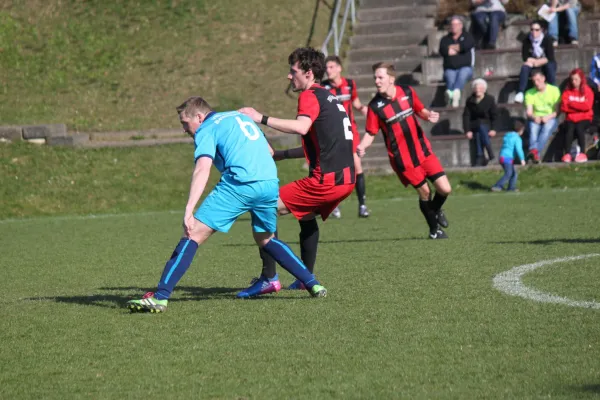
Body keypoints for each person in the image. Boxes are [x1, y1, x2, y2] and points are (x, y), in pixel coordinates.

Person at [126, 97, 327, 313]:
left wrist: (189, 208)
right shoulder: (241, 117)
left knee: (192, 234)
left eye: (185, 123)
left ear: (199, 117)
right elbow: (269, 152)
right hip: (269, 182)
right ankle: (313, 283)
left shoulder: (207, 128)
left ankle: (160, 297)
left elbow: (203, 168)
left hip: (239, 184)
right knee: (266, 239)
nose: (185, 129)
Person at [238, 47, 355, 295]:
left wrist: (261, 117)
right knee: (306, 216)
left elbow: (302, 127)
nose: (289, 77)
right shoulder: (330, 97)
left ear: (309, 73)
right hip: (346, 180)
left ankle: (269, 278)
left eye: (293, 71)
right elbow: (321, 145)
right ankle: (305, 277)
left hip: (326, 181)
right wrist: (281, 155)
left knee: (263, 207)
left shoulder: (309, 96)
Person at [357, 62, 451, 240]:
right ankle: (434, 231)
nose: (377, 81)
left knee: (445, 189)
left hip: (423, 151)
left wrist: (428, 115)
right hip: (403, 160)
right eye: (375, 78)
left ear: (391, 79)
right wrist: (362, 146)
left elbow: (420, 110)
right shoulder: (375, 107)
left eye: (380, 77)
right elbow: (371, 132)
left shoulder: (407, 92)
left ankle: (436, 210)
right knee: (425, 192)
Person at [322, 55, 370, 218]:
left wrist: (364, 109)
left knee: (357, 166)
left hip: (350, 132)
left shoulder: (350, 84)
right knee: (336, 169)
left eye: (331, 67)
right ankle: (334, 206)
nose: (328, 70)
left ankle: (362, 205)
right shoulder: (323, 87)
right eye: (326, 68)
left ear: (339, 68)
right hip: (333, 135)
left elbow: (355, 103)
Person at [514, 20, 556, 104]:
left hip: (545, 63)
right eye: (532, 29)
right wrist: (535, 61)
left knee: (550, 66)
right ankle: (521, 92)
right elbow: (525, 57)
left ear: (541, 30)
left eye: (537, 30)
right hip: (533, 63)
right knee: (525, 67)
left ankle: (552, 90)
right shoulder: (527, 39)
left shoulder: (547, 39)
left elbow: (550, 57)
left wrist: (536, 61)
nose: (534, 32)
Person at [439, 15, 475, 108]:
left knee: (462, 74)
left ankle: (454, 92)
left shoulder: (468, 36)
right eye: (452, 24)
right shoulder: (445, 39)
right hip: (450, 68)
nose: (454, 26)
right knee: (450, 77)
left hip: (465, 67)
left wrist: (452, 47)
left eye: (456, 24)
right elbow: (443, 50)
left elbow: (466, 46)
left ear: (461, 25)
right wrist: (459, 48)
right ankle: (452, 95)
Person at [524, 69, 561, 163]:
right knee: (533, 128)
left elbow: (558, 111)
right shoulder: (529, 93)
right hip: (536, 117)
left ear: (544, 78)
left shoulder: (554, 90)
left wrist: (548, 117)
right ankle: (535, 154)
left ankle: (534, 151)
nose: (536, 83)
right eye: (534, 81)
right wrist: (534, 117)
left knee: (547, 128)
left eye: (538, 80)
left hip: (550, 117)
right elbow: (529, 112)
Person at [560, 68, 594, 162]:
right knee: (569, 129)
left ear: (581, 79)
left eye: (576, 79)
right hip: (571, 118)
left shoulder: (587, 91)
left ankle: (582, 154)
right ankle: (567, 154)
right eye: (572, 79)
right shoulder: (567, 91)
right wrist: (579, 107)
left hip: (585, 118)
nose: (574, 82)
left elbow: (587, 106)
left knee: (579, 128)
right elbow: (563, 107)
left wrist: (572, 104)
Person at [463, 78, 499, 166]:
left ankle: (480, 156)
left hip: (486, 124)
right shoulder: (470, 100)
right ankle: (489, 151)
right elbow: (466, 116)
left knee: (479, 133)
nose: (478, 90)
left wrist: (494, 129)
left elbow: (495, 115)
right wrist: (467, 130)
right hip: (474, 124)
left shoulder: (490, 99)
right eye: (476, 88)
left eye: (480, 88)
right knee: (479, 126)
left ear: (484, 89)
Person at [491, 119, 526, 192]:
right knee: (509, 173)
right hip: (508, 158)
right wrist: (522, 159)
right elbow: (519, 149)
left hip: (502, 157)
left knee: (513, 173)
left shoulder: (507, 136)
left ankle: (511, 187)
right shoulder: (517, 138)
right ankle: (497, 186)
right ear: (520, 130)